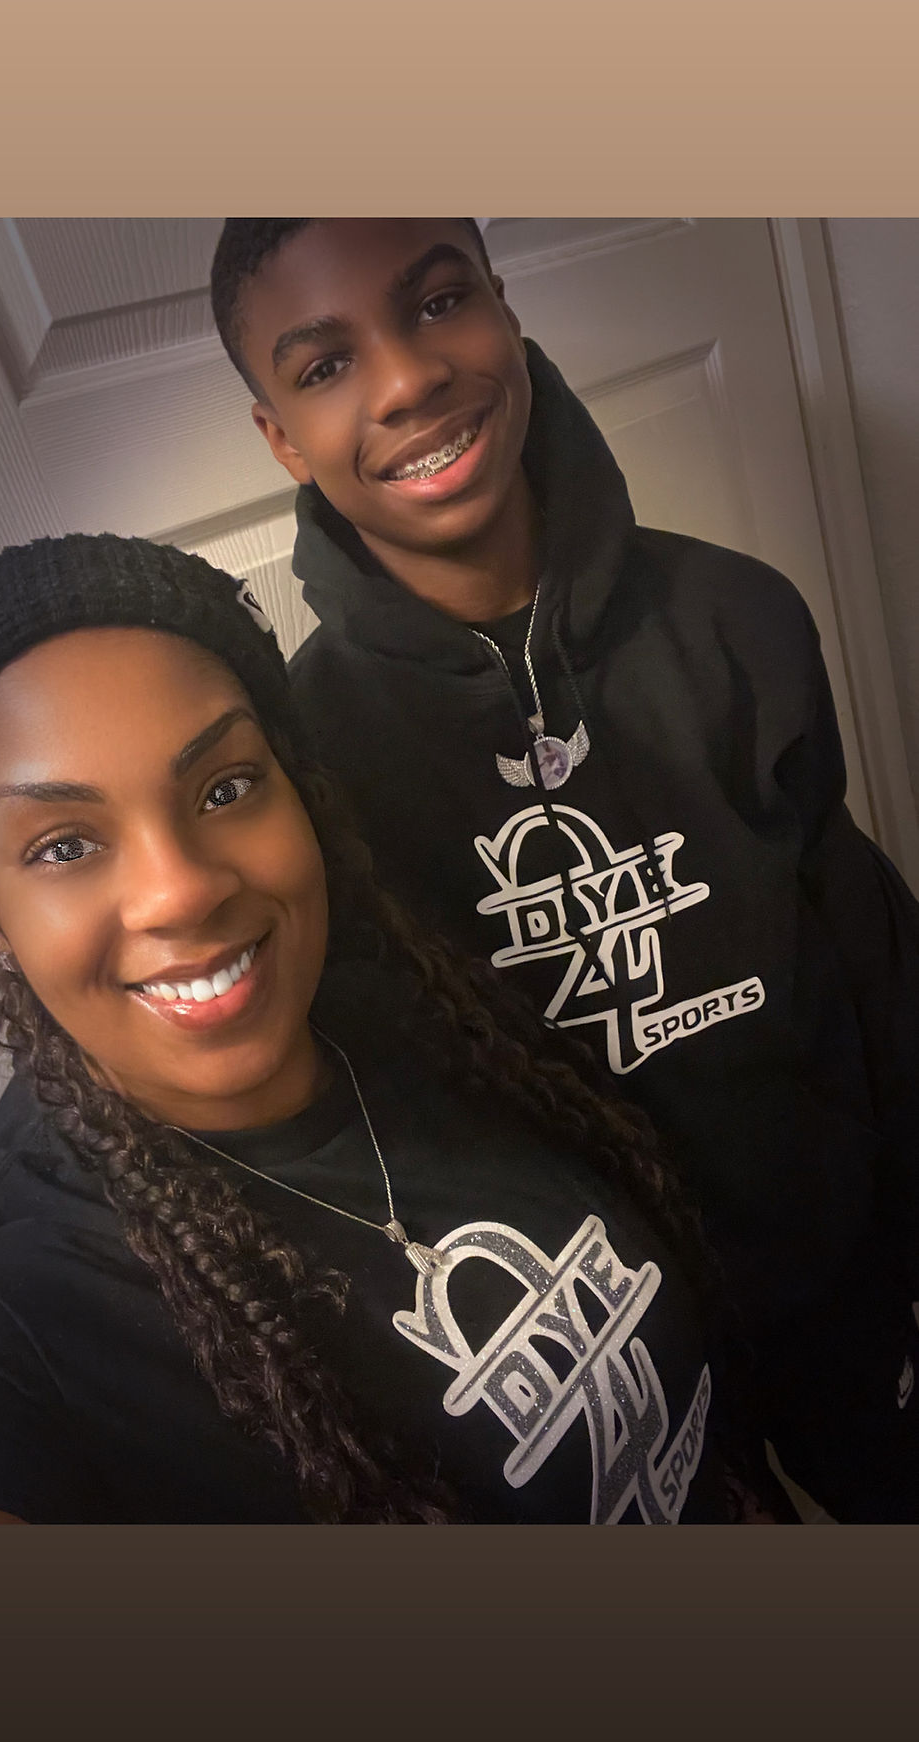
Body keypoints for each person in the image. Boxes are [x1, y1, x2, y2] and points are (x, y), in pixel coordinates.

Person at [209, 217, 919, 1522]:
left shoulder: (738, 619)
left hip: (846, 1285)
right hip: (615, 1383)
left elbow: (871, 955)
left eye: (437, 301)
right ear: (280, 437)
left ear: (502, 304)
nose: (407, 377)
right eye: (324, 365)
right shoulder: (310, 769)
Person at [0, 531, 753, 1524]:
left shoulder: (422, 1017)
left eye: (226, 787)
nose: (180, 889)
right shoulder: (4, 1314)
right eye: (65, 845)